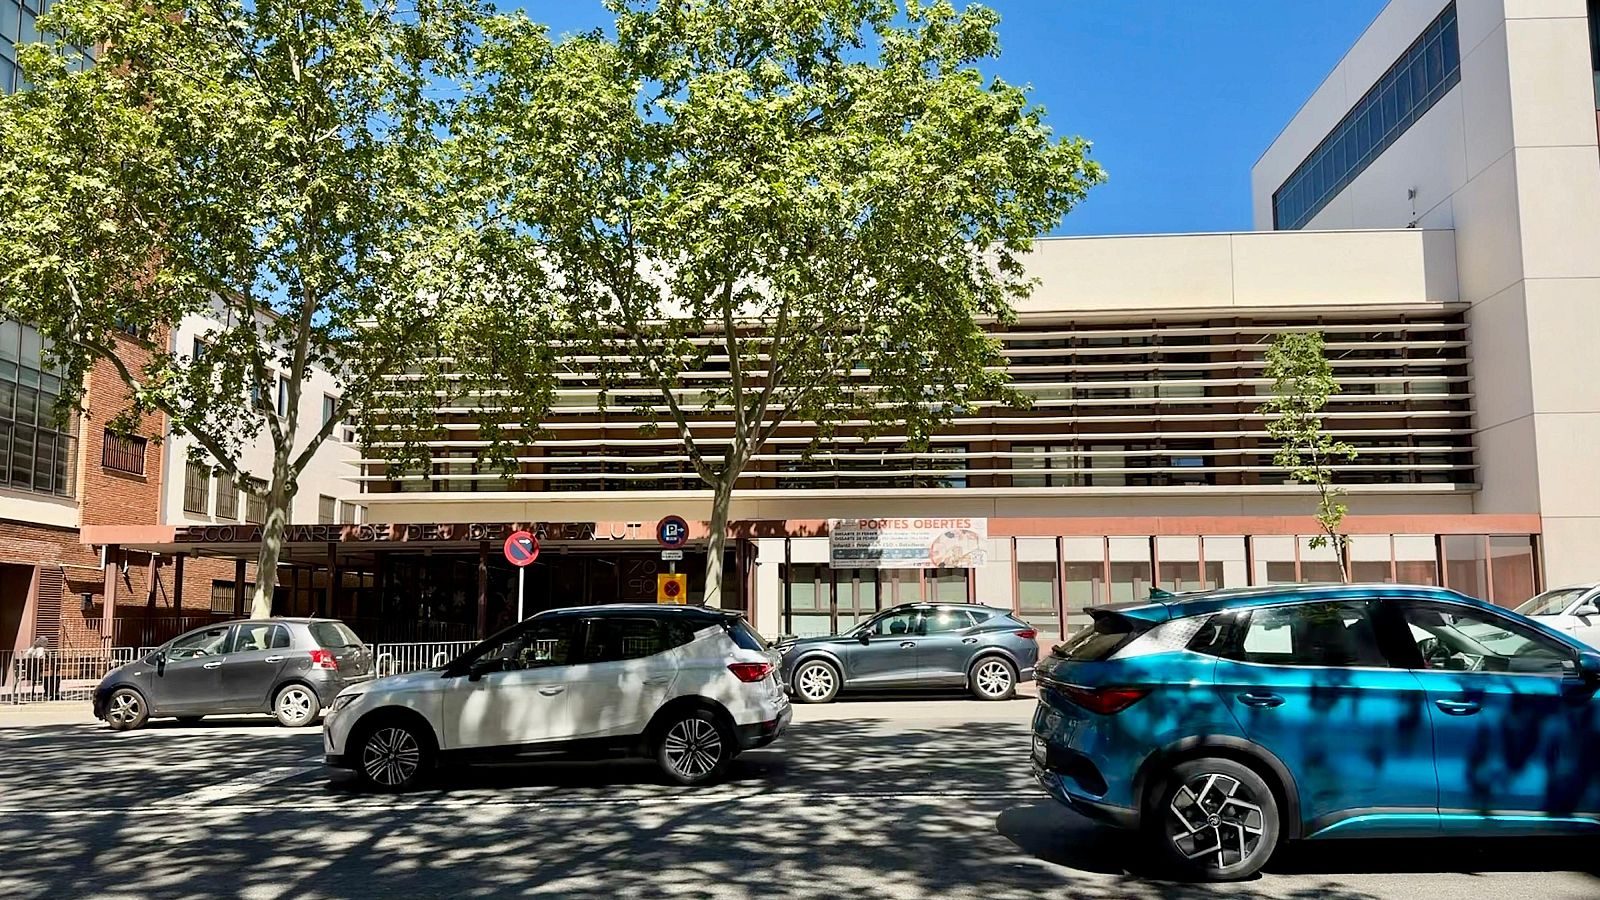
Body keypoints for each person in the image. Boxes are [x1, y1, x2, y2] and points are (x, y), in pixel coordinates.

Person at [21, 637, 48, 701]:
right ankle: (51, 693)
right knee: (52, 676)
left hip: (29, 671)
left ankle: (50, 692)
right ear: (43, 643)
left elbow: (25, 656)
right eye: (46, 642)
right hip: (37, 672)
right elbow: (40, 658)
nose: (47, 644)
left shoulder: (31, 649)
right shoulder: (41, 649)